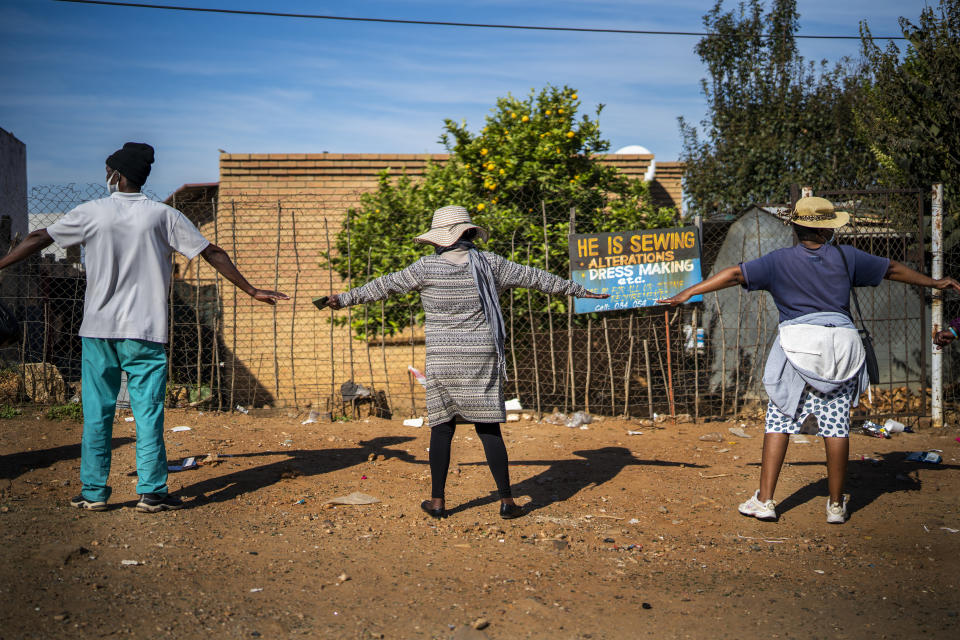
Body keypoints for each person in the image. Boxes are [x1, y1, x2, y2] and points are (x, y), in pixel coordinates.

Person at [0, 142, 288, 513]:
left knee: (97, 410)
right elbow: (212, 251)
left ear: (117, 175)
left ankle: (94, 493)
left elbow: (40, 237)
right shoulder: (162, 216)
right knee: (148, 410)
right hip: (146, 331)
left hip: (98, 331)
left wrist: (2, 263)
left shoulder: (93, 213)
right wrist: (251, 289)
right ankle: (152, 493)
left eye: (109, 170)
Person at [659, 196, 959, 524]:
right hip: (841, 349)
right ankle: (834, 506)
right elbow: (891, 268)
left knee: (780, 421)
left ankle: (765, 501)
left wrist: (689, 292)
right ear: (829, 230)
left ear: (797, 227)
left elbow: (733, 274)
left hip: (797, 347)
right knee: (837, 426)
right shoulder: (847, 258)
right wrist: (934, 281)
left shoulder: (778, 261)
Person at [326, 205, 608, 520]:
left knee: (442, 428)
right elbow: (539, 279)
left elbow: (383, 286)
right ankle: (507, 501)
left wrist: (343, 298)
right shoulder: (492, 264)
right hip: (482, 357)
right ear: (469, 233)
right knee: (488, 429)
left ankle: (437, 501)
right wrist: (581, 291)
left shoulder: (425, 268)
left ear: (441, 239)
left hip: (443, 358)